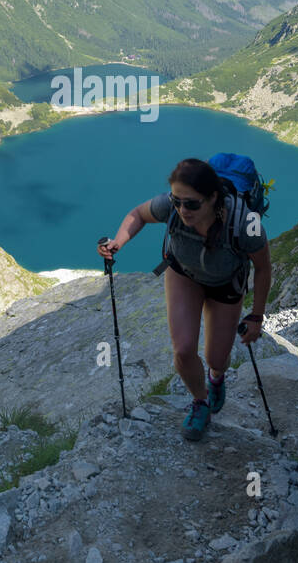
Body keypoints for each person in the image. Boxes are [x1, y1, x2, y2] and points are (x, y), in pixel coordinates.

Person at [97, 157, 272, 442]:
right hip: (183, 275)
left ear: (213, 198)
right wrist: (118, 242)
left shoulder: (244, 222)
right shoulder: (171, 207)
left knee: (217, 357)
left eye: (191, 204)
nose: (182, 210)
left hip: (226, 284)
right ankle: (200, 402)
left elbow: (263, 268)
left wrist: (256, 316)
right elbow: (138, 214)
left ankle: (217, 378)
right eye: (177, 201)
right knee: (183, 349)